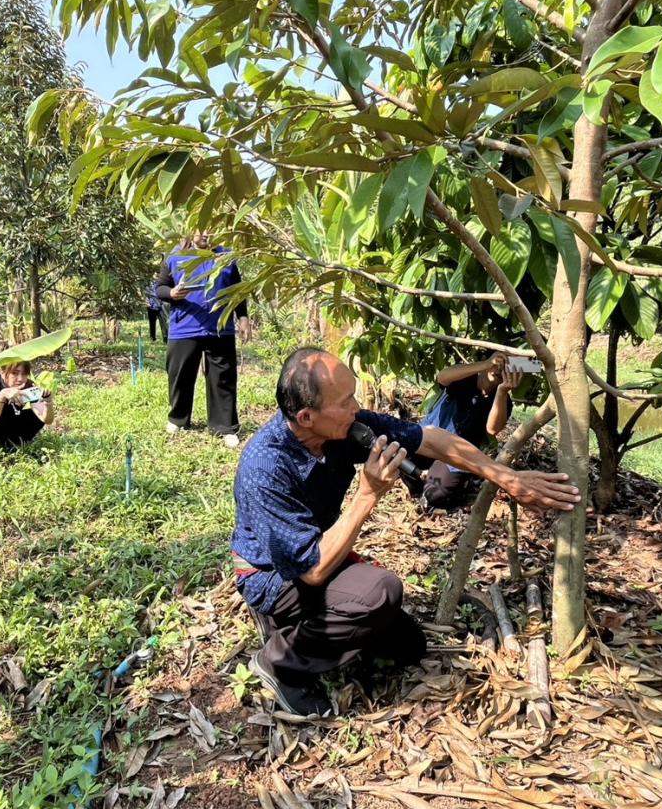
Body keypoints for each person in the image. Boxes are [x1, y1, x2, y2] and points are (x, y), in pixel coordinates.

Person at [231, 348, 580, 716]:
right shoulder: (265, 467)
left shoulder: (341, 427)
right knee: (380, 591)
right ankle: (280, 662)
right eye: (346, 400)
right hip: (275, 573)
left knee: (407, 647)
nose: (356, 406)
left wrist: (505, 477)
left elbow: (431, 439)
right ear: (306, 416)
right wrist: (367, 494)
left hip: (318, 550)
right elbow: (311, 569)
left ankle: (309, 626)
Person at [156, 233, 252, 447]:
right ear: (191, 229)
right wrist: (172, 292)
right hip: (184, 327)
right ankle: (178, 419)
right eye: (201, 228)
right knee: (180, 375)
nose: (207, 233)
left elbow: (237, 290)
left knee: (223, 378)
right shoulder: (175, 257)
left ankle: (224, 427)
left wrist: (243, 317)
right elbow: (160, 288)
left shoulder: (226, 256)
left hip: (219, 327)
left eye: (211, 228)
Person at [414, 353, 522, 512]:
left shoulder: (502, 400)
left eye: (507, 366)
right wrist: (485, 364)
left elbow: (492, 429)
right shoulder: (465, 379)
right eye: (498, 362)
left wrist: (502, 391)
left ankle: (449, 480)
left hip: (456, 455)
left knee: (435, 495)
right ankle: (422, 478)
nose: (499, 369)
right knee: (397, 454)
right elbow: (442, 377)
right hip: (429, 438)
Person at [0, 361, 53, 453]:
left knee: (35, 417)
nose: (20, 379)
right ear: (2, 373)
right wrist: (2, 395)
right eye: (14, 373)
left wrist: (48, 402)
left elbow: (46, 419)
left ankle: (13, 443)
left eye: (24, 374)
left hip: (7, 421)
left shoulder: (27, 385)